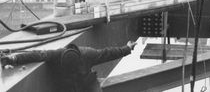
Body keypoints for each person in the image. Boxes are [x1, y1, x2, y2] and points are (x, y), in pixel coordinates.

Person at [1, 40, 137, 92]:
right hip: (68, 87)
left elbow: (108, 53)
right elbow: (35, 55)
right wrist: (13, 59)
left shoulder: (88, 54)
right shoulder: (55, 55)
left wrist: (127, 48)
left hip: (87, 84)